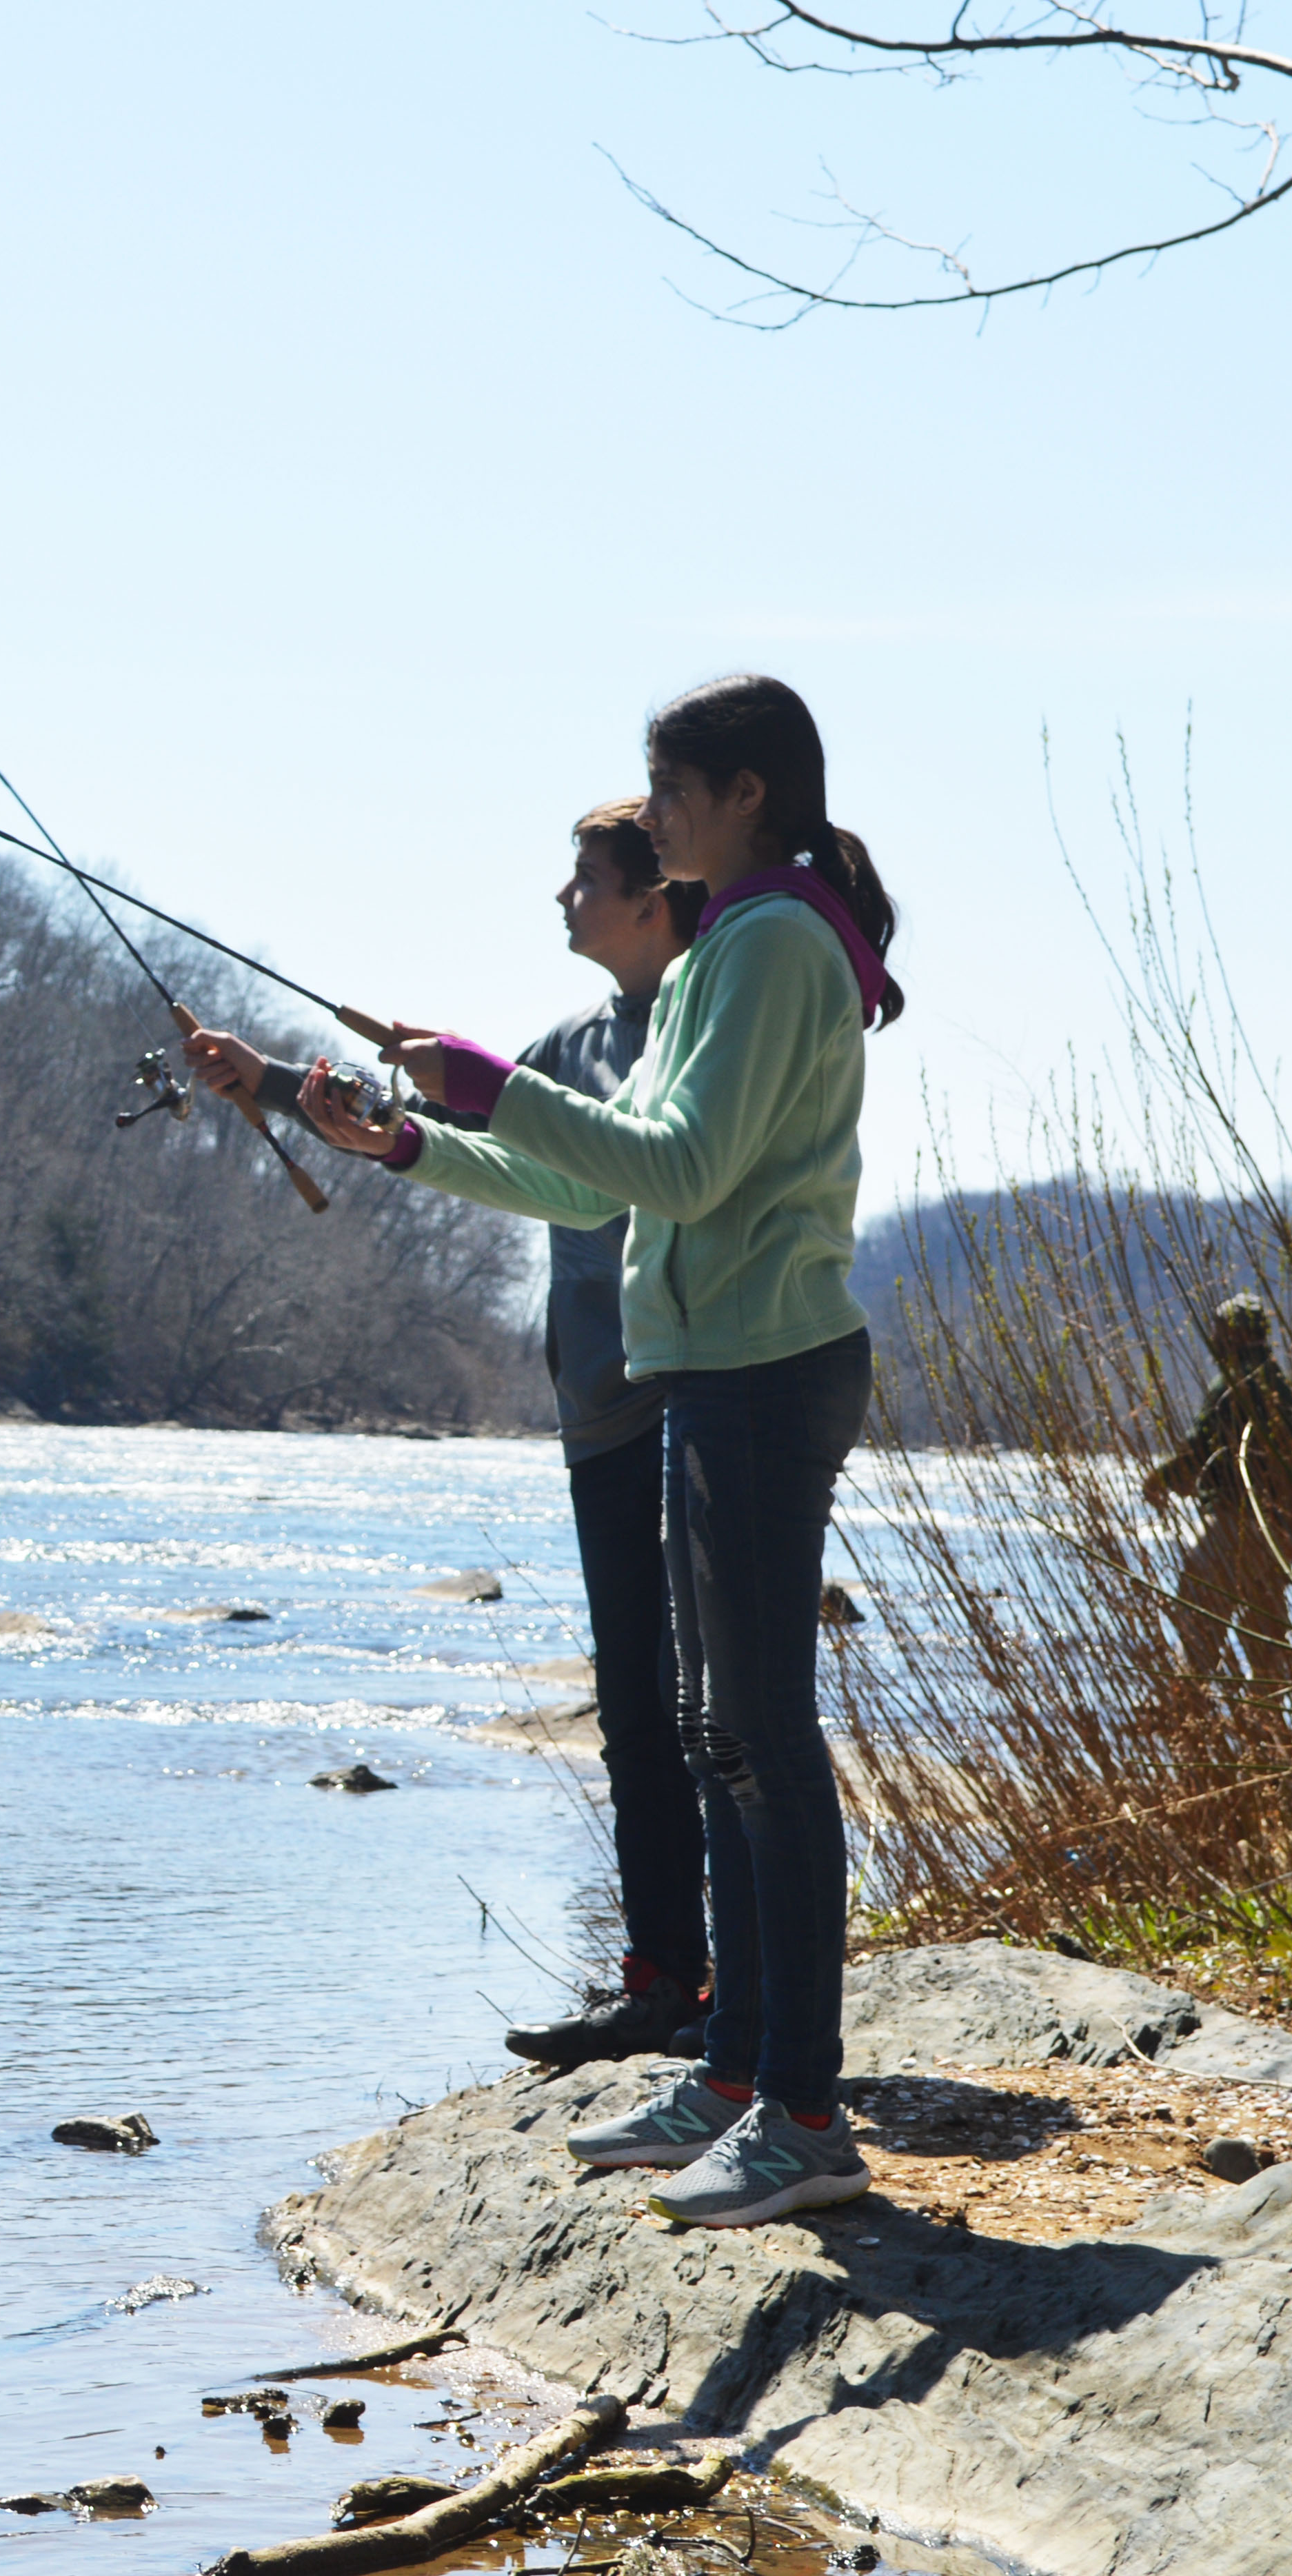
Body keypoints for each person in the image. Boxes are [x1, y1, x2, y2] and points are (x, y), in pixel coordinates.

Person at [294, 675, 902, 2231]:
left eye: (669, 794)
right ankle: (734, 2070)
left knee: (760, 1737)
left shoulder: (766, 945)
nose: (652, 818)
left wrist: (495, 1083)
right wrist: (419, 1137)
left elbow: (678, 1170)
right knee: (714, 1731)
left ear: (742, 793)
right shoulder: (725, 945)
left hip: (762, 1373)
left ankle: (804, 2109)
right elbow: (591, 1190)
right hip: (713, 1371)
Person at [184, 805, 711, 2065]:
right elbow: (463, 1148)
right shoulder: (565, 1043)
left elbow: (590, 1170)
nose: (562, 897)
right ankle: (661, 1984)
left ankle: (746, 1993)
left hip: (701, 1389)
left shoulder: (706, 1025)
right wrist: (264, 1084)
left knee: (717, 1710)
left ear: (654, 896)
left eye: (584, 879)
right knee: (632, 1709)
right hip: (598, 1402)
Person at [1146, 1291, 1292, 1690]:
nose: (1215, 1340)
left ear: (1231, 1337)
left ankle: (1195, 1701)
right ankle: (1272, 1716)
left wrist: (1160, 1481)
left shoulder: (1232, 1384)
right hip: (1283, 1529)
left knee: (1196, 1608)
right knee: (1266, 1628)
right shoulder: (1281, 1386)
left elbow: (1201, 1448)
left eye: (1219, 1332)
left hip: (1238, 1524)